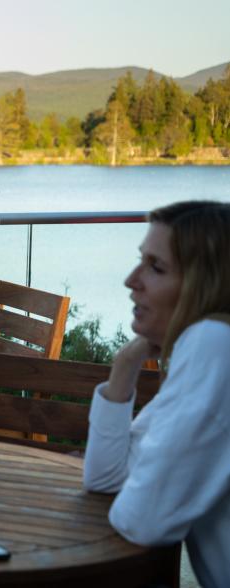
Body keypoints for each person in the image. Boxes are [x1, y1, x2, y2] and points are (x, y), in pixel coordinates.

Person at [83, 200, 230, 587]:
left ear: (206, 284)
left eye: (156, 267)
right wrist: (125, 365)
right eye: (141, 261)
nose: (131, 279)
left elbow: (141, 520)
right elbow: (106, 477)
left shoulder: (214, 344)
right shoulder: (208, 347)